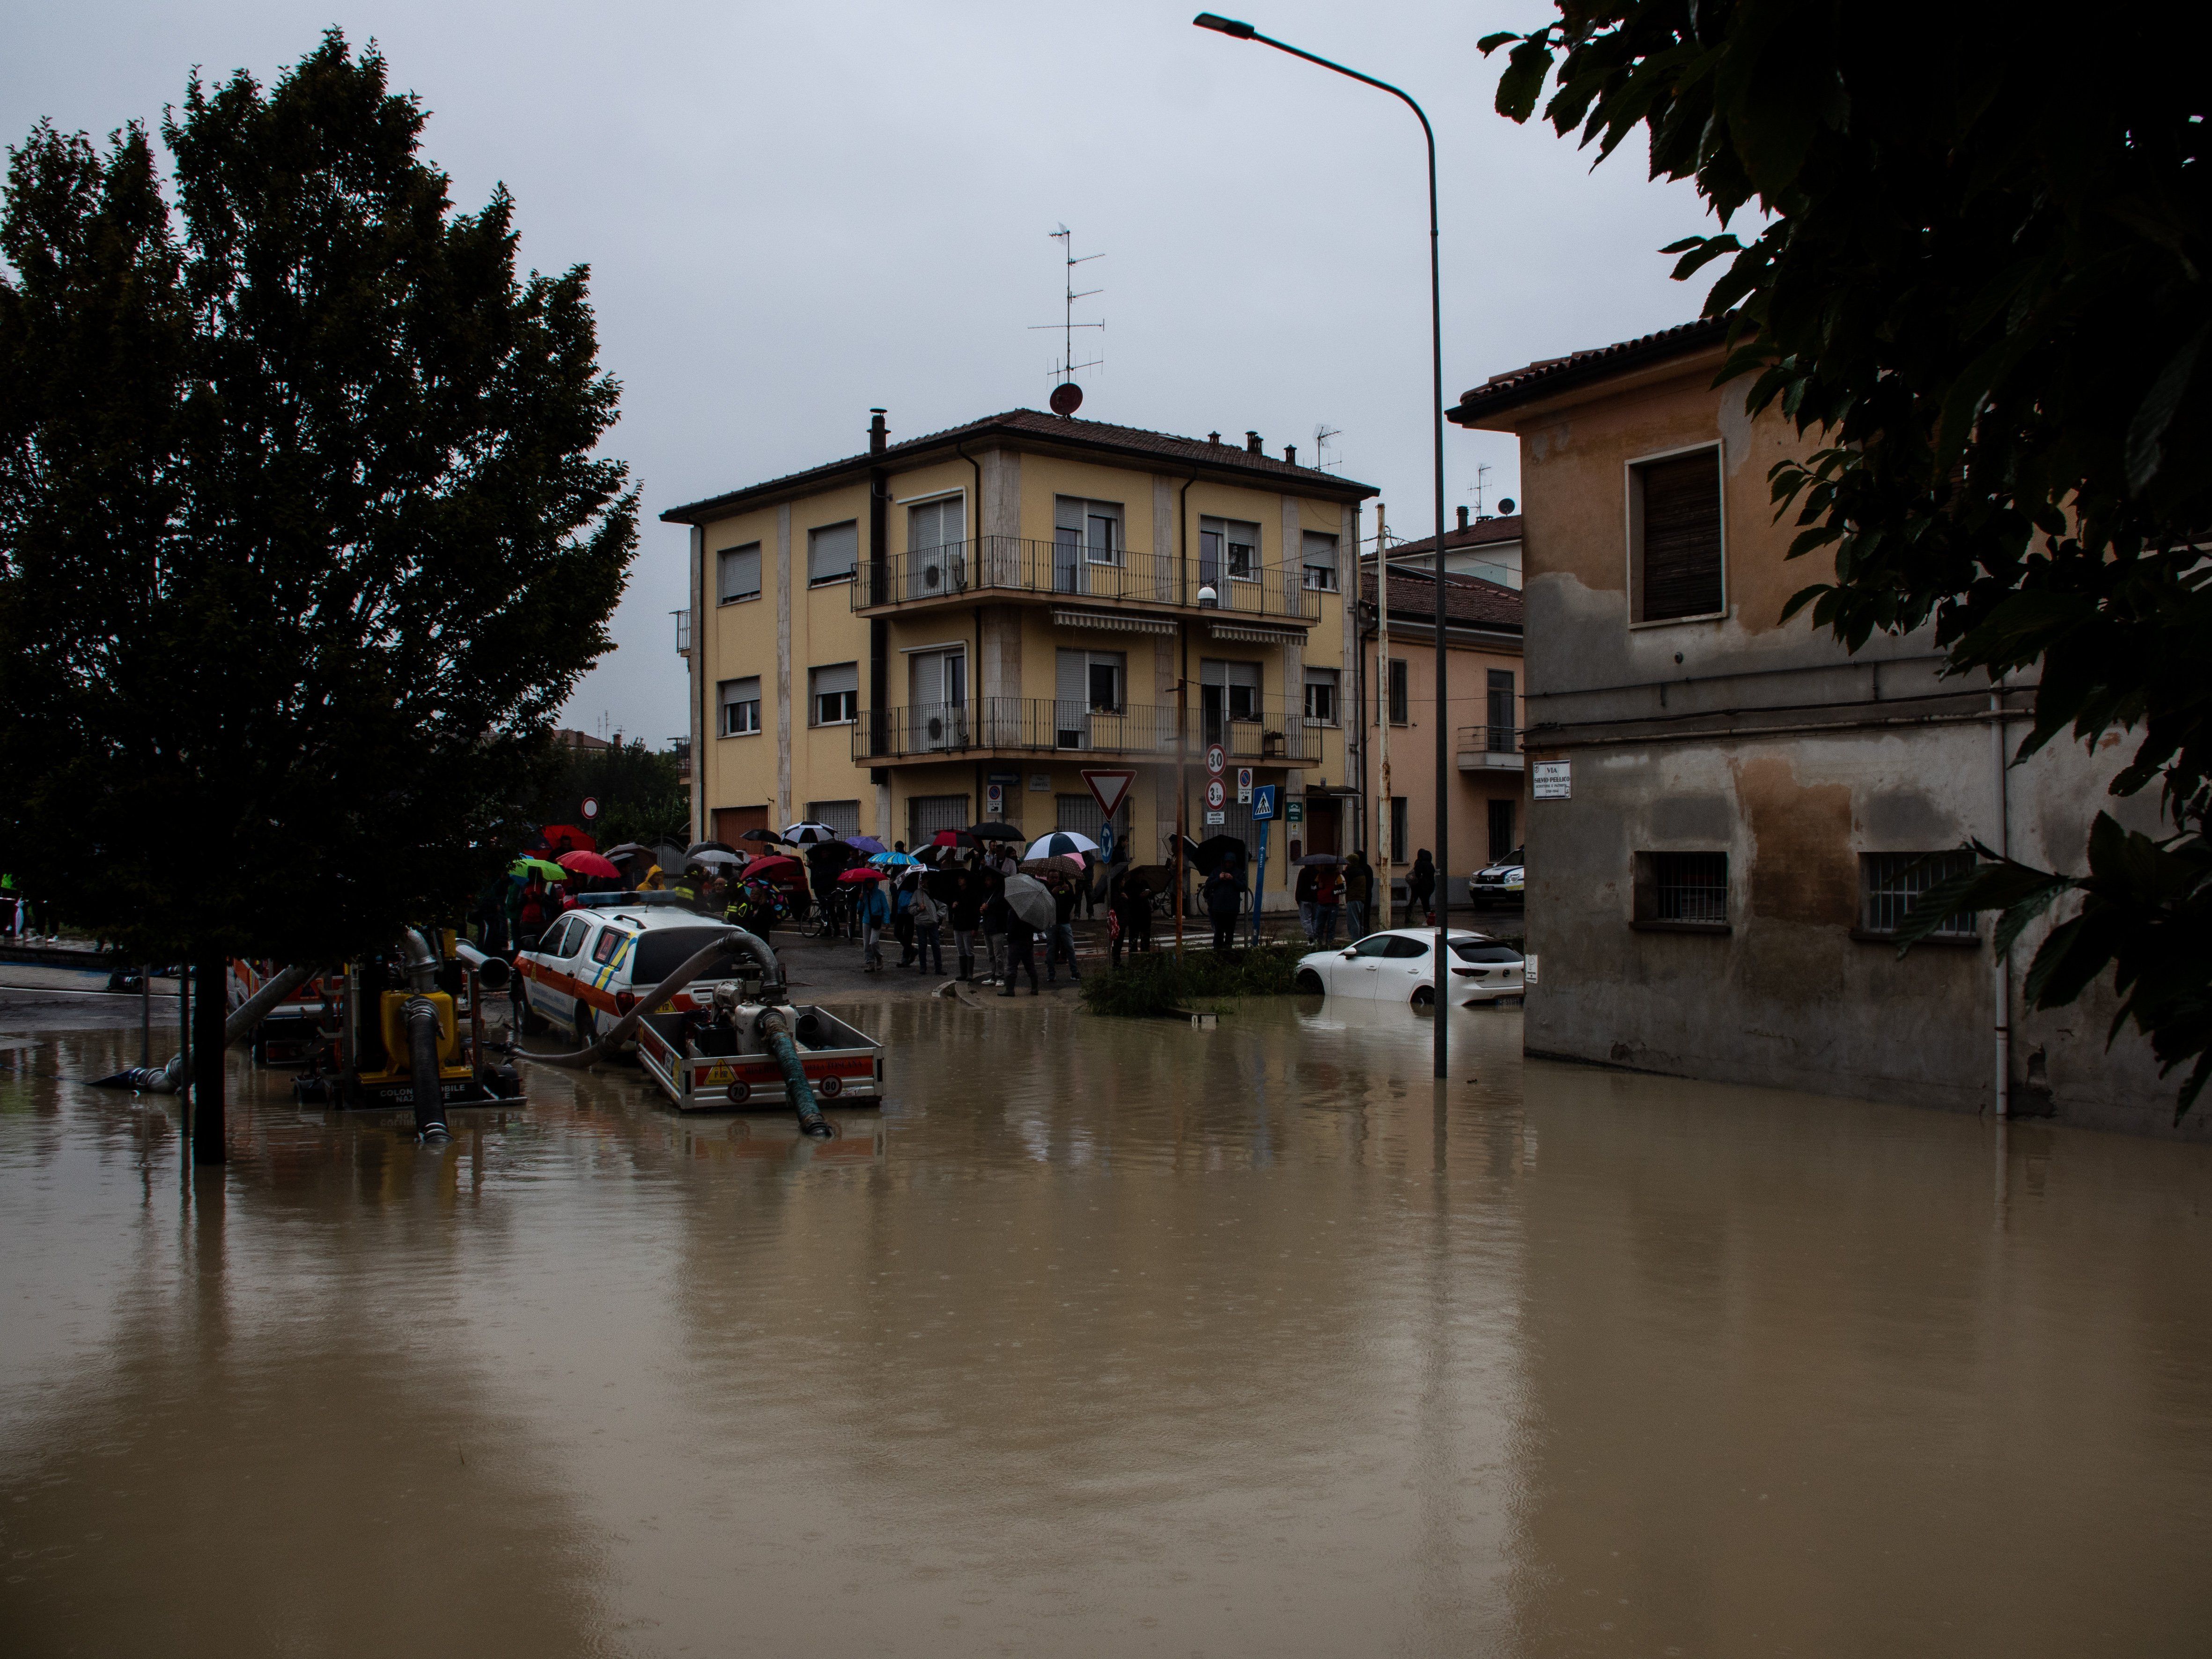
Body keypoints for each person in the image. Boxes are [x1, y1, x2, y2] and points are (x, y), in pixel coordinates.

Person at [999, 901, 1041, 996]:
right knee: (1030, 966)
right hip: (1028, 941)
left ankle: (1010, 989)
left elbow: (1012, 928)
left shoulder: (1014, 912)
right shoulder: (1030, 913)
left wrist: (1009, 939)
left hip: (1016, 942)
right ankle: (1035, 988)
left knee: (1012, 966)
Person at [1046, 877, 1082, 983]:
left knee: (1070, 947)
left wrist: (1069, 891)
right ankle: (1051, 974)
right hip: (1052, 923)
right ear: (1048, 878)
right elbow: (1044, 903)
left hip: (1065, 922)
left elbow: (1074, 901)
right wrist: (1052, 894)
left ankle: (1075, 972)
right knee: (1051, 949)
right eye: (1052, 877)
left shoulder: (1067, 885)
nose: (1055, 880)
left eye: (1057, 877)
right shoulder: (1046, 888)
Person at [948, 873, 983, 983]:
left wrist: (975, 927)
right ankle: (963, 973)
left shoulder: (972, 894)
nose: (960, 881)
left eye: (962, 878)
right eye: (959, 878)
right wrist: (953, 907)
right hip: (958, 925)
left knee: (969, 950)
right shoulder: (956, 892)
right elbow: (952, 910)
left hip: (968, 926)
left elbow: (976, 912)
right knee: (961, 950)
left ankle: (970, 974)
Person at [1203, 864, 1241, 953]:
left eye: (1230, 862)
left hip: (1231, 909)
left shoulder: (1238, 873)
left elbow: (1243, 886)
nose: (1228, 864)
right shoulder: (1217, 871)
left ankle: (1226, 950)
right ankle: (1218, 950)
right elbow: (1209, 885)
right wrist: (1219, 878)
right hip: (1218, 908)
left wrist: (1232, 879)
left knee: (1229, 932)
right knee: (1219, 932)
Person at [911, 881, 945, 975]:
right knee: (922, 945)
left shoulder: (936, 892)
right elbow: (911, 908)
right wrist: (919, 909)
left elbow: (944, 907)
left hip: (933, 923)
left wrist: (937, 916)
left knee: (936, 945)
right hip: (921, 923)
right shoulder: (918, 893)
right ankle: (923, 967)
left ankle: (939, 968)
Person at [981, 875, 1009, 986]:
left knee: (999, 955)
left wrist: (989, 908)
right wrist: (982, 910)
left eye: (988, 879)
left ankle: (1000, 976)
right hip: (988, 927)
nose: (986, 882)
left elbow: (1002, 910)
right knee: (991, 954)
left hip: (998, 928)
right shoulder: (986, 893)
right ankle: (993, 976)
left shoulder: (1001, 894)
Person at [857, 878, 890, 971]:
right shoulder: (864, 895)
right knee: (867, 944)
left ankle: (879, 958)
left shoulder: (880, 894)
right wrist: (860, 900)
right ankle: (870, 962)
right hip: (867, 920)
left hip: (877, 920)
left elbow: (886, 908)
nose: (870, 885)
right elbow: (860, 909)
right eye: (868, 883)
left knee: (874, 942)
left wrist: (887, 920)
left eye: (871, 883)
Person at [1343, 850, 1373, 940]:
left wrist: (1344, 873)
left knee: (1353, 921)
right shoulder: (1366, 869)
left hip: (1354, 898)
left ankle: (1355, 941)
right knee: (1362, 920)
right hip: (1364, 898)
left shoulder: (1353, 872)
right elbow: (1370, 884)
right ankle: (1363, 938)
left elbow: (1345, 883)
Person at [1313, 861, 1341, 946]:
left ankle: (1329, 943)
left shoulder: (1337, 876)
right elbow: (1313, 886)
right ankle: (1319, 943)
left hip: (1333, 904)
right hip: (1322, 903)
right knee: (1319, 925)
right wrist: (1318, 886)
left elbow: (1343, 889)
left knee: (1331, 926)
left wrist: (1335, 892)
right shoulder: (1320, 876)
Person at [892, 868, 916, 967]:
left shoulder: (914, 877)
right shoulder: (903, 875)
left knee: (908, 935)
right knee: (898, 933)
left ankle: (905, 958)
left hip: (909, 912)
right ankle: (911, 950)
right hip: (901, 912)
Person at [1408, 849, 1437, 925]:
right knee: (1426, 903)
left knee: (1414, 902)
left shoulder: (1420, 864)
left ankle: (1409, 918)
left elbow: (1417, 874)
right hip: (1431, 886)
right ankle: (1430, 918)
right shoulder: (1431, 865)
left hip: (1420, 887)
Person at [1295, 861, 1319, 942]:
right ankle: (1315, 935)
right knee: (1315, 919)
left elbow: (1299, 886)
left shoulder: (1303, 872)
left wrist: (1297, 898)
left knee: (1306, 919)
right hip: (1316, 899)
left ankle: (1310, 937)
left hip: (1304, 899)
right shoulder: (1317, 872)